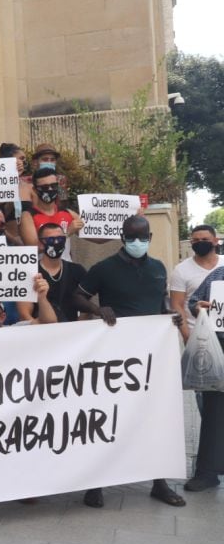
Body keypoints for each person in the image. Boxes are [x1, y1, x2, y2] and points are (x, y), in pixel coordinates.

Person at [72, 215, 186, 509]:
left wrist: (170, 317)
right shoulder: (104, 269)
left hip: (151, 357)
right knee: (108, 417)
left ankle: (158, 482)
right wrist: (98, 310)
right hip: (114, 357)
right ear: (122, 237)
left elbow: (160, 305)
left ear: (149, 237)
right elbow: (77, 296)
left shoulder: (159, 268)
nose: (138, 242)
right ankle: (95, 484)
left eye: (143, 237)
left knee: (153, 417)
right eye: (132, 237)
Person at [186, 266, 224, 492]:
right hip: (220, 351)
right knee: (214, 413)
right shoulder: (219, 276)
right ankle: (207, 472)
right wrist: (198, 307)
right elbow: (195, 301)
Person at [17, 223, 88, 323]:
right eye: (50, 240)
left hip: (72, 332)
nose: (56, 242)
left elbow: (86, 307)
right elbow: (25, 314)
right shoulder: (29, 272)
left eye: (61, 239)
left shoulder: (77, 270)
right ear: (41, 243)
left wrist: (77, 329)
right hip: (41, 332)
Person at [170, 225, 219, 341]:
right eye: (196, 240)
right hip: (199, 337)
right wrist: (187, 336)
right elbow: (177, 305)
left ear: (215, 241)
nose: (200, 243)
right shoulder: (180, 270)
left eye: (205, 240)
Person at [19, 167, 83, 249]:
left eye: (54, 186)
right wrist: (66, 234)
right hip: (40, 261)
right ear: (35, 190)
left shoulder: (68, 213)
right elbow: (33, 249)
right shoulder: (28, 216)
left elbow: (94, 236)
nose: (50, 189)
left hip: (66, 261)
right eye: (45, 187)